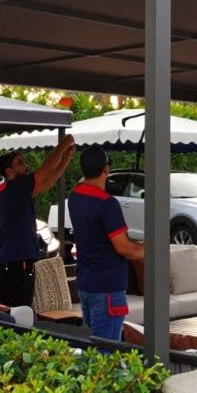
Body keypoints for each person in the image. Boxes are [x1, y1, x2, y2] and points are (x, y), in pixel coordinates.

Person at [68, 146, 144, 341]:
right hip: (107, 288)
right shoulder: (107, 204)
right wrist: (150, 250)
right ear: (106, 170)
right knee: (106, 352)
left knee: (96, 349)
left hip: (86, 284)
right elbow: (125, 248)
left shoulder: (74, 197)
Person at [0, 135, 74, 307]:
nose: (26, 165)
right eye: (20, 163)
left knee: (14, 315)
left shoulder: (11, 189)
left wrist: (65, 159)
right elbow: (45, 170)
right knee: (19, 315)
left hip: (12, 264)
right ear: (9, 171)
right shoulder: (15, 188)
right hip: (16, 264)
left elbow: (47, 182)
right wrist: (63, 144)